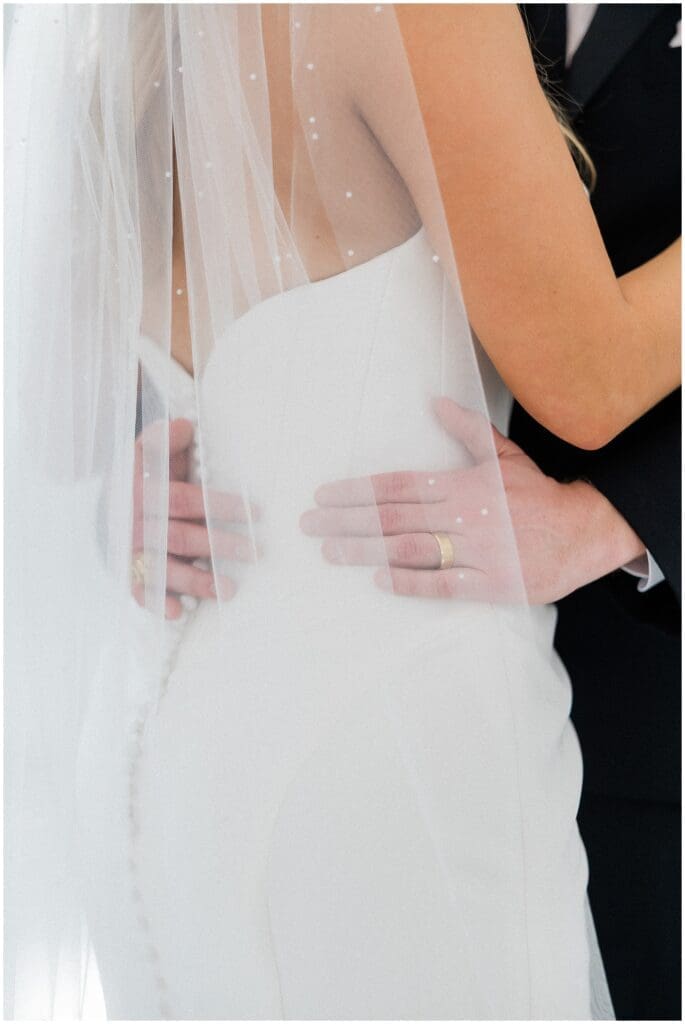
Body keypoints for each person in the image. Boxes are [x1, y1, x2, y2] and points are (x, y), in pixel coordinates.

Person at [5, 4, 680, 1020]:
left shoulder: (131, 26)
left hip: (165, 755)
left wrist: (153, 437)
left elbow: (52, 405)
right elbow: (587, 374)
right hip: (391, 753)